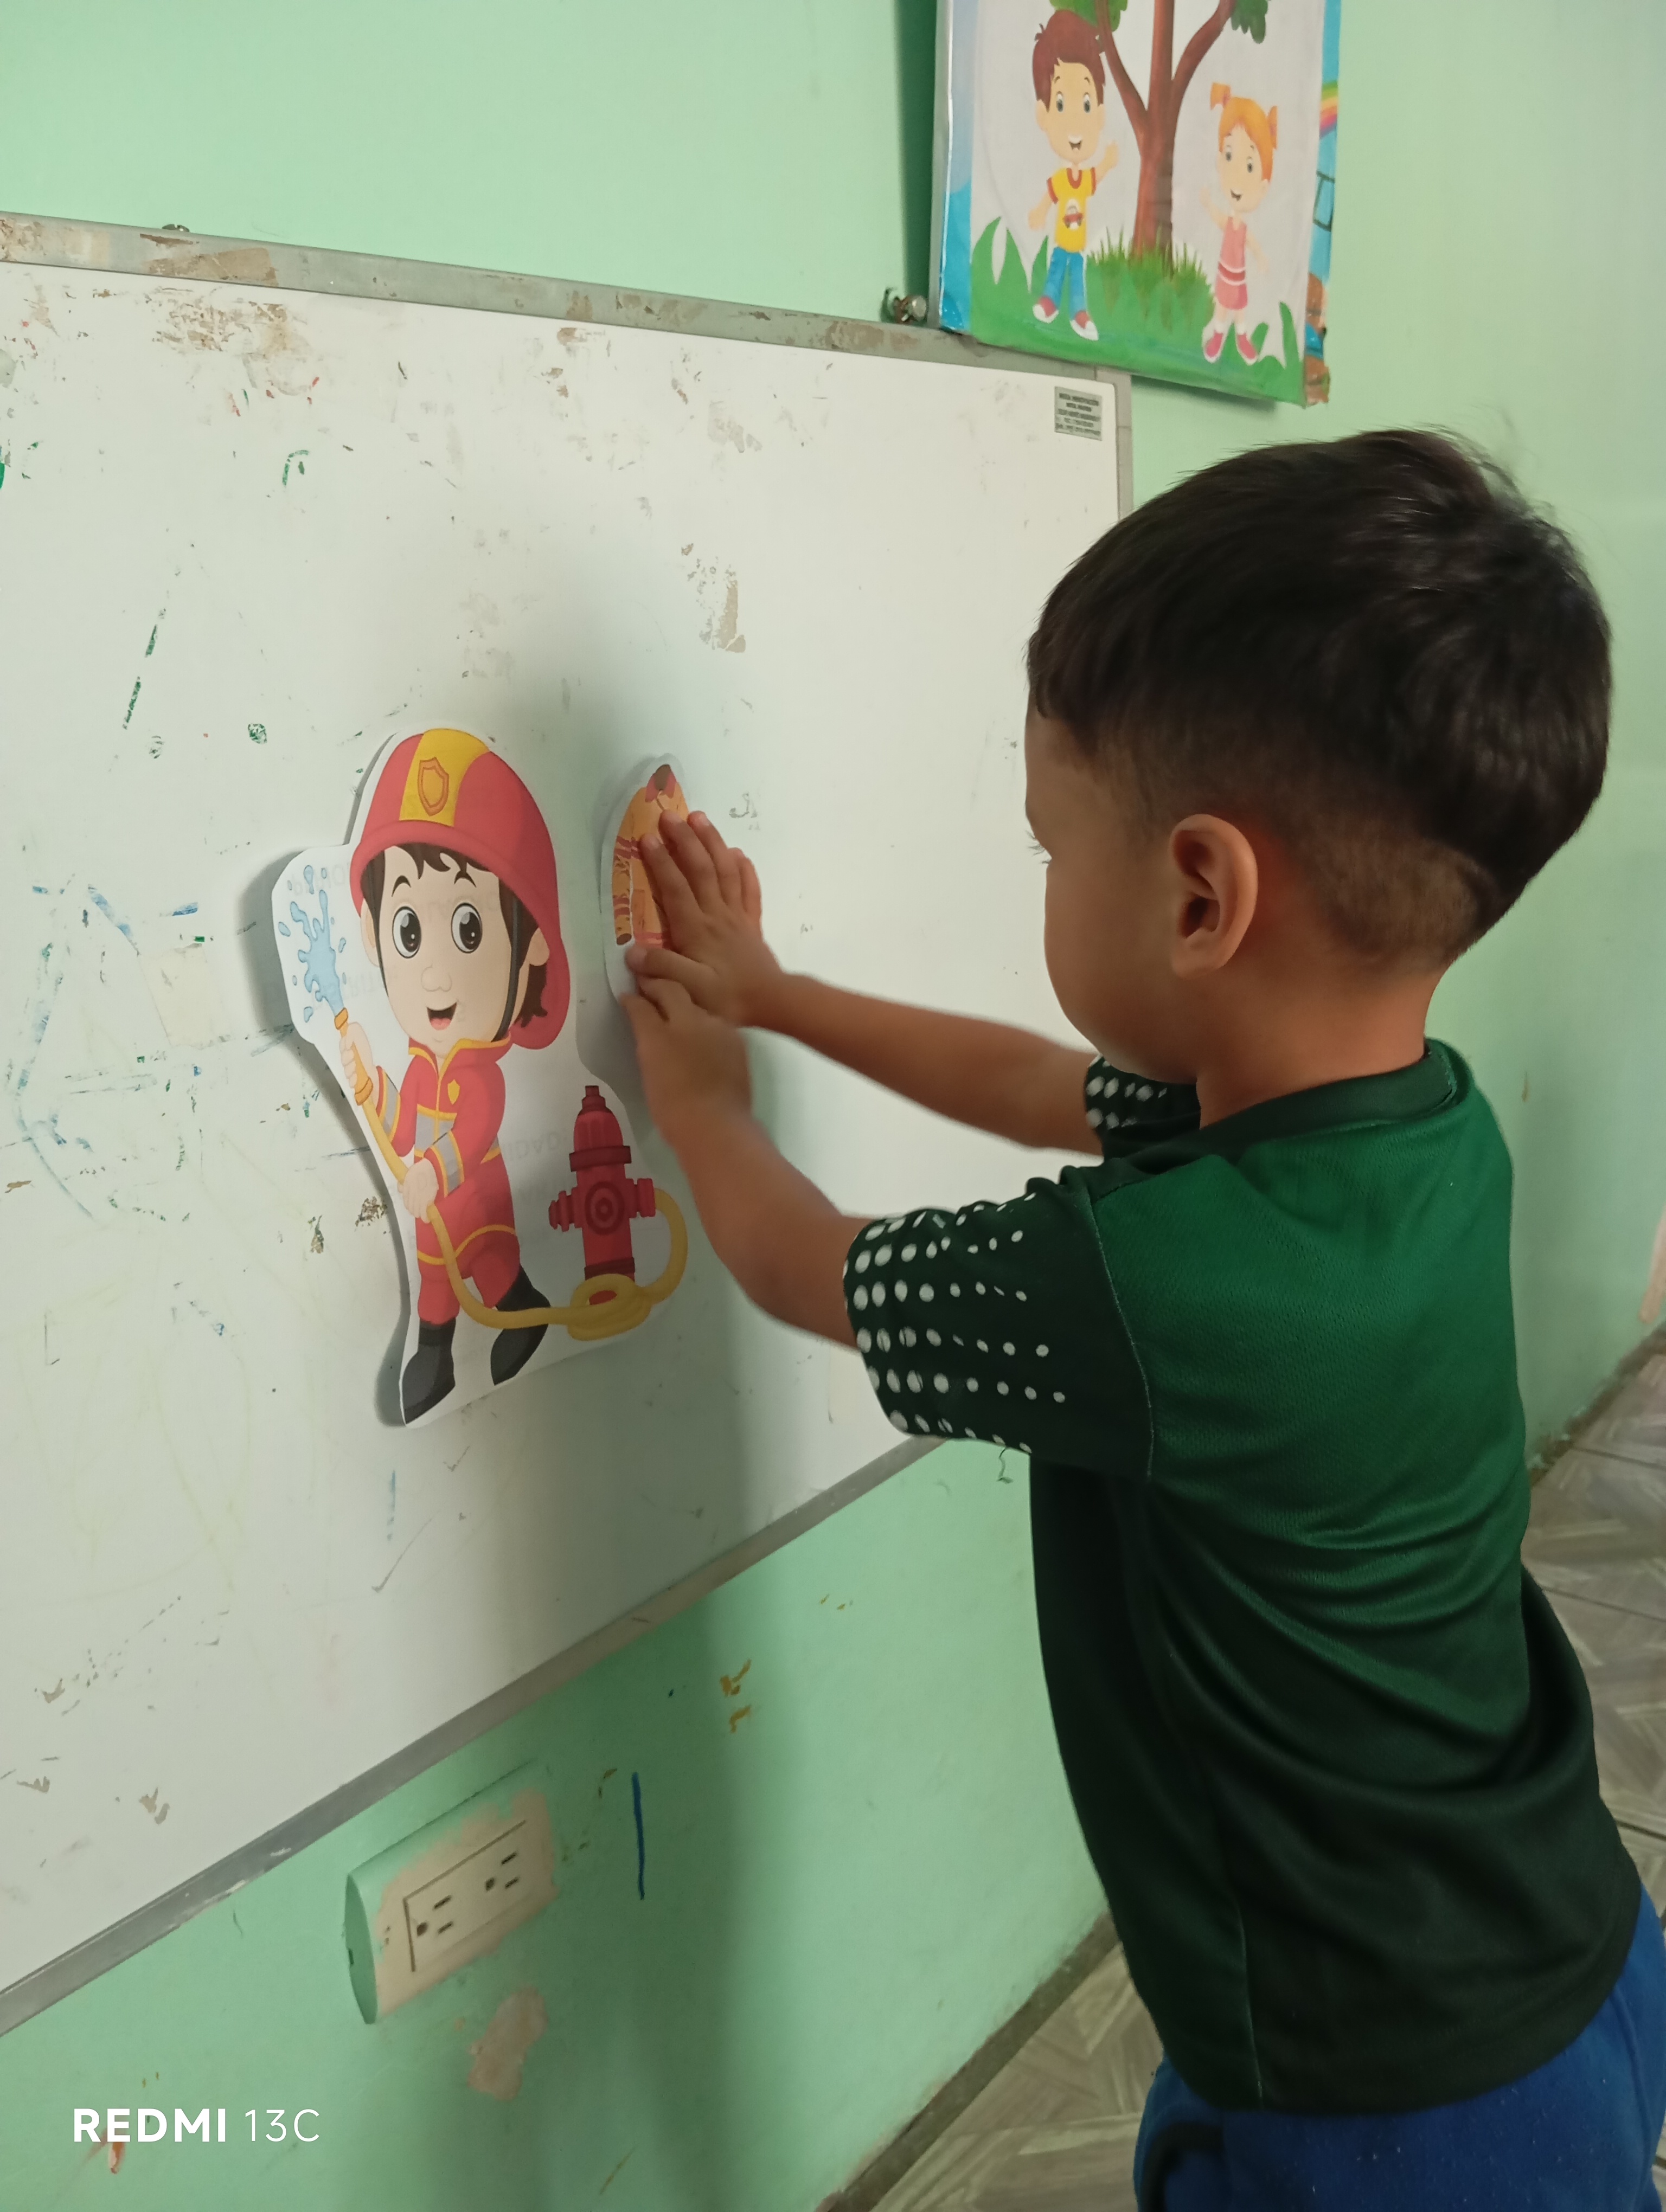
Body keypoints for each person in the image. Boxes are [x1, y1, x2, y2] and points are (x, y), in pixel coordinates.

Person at [621, 433, 1666, 2207]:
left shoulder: (1153, 1289)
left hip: (1382, 2100)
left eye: (1047, 844)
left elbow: (802, 1265)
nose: (1038, 874)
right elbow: (1048, 1086)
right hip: (1566, 1942)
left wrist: (705, 1100)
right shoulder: (1420, 1122)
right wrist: (782, 996)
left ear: (1200, 893)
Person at [340, 728, 568, 1420]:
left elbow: (472, 1132)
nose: (435, 975)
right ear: (375, 934)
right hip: (432, 1215)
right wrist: (368, 1084)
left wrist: (434, 1172)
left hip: (475, 1206)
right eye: (409, 932)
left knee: (492, 1266)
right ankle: (435, 1357)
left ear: (530, 946)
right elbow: (401, 1128)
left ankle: (522, 1312)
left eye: (469, 930)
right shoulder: (420, 1067)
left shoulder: (479, 1076)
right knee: (437, 1286)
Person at [1028, 9, 1118, 343]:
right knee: (1056, 272)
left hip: (1078, 247)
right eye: (1061, 104)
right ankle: (1049, 301)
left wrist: (1108, 162)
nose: (1076, 124)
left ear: (1100, 115)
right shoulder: (1063, 179)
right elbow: (1050, 196)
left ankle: (1080, 312)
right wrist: (1039, 212)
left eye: (1087, 104)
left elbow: (1096, 177)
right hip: (1062, 244)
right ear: (1044, 114)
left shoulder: (1083, 180)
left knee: (1077, 279)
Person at [1200, 83, 1276, 365]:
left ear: (1263, 186)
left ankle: (1242, 338)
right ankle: (1218, 337)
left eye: (1250, 166)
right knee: (1222, 306)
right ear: (1220, 160)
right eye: (1229, 156)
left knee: (1240, 308)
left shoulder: (1242, 228)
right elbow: (1219, 218)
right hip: (1226, 275)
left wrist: (1261, 256)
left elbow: (1252, 243)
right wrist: (1208, 204)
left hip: (1238, 277)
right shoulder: (1229, 221)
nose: (1237, 177)